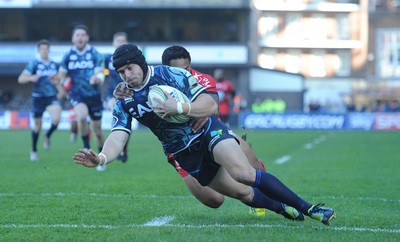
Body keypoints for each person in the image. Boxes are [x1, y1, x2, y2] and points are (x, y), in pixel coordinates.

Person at [73, 44, 336, 226]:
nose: (126, 75)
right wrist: (102, 158)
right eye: (121, 72)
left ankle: (310, 208)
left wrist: (180, 107)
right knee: (242, 194)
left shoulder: (170, 74)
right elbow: (119, 134)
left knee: (244, 174)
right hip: (184, 154)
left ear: (140, 63)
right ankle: (281, 208)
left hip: (207, 133)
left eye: (129, 68)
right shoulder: (124, 99)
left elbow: (210, 105)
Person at [160, 45, 268, 216]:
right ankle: (181, 164)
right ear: (166, 69)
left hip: (214, 131)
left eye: (187, 69)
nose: (184, 74)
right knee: (214, 200)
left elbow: (213, 107)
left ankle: (264, 200)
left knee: (254, 167)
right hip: (184, 145)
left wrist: (200, 110)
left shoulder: (202, 79)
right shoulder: (158, 86)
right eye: (178, 71)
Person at [57, 24, 106, 171]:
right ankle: (86, 146)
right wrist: (59, 84)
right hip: (77, 95)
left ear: (87, 38)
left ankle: (101, 157)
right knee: (82, 116)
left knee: (97, 130)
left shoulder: (95, 54)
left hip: (94, 96)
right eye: (77, 35)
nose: (80, 37)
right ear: (73, 38)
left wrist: (97, 78)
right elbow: (61, 75)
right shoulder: (67, 56)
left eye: (83, 35)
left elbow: (100, 72)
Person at [18, 39, 62, 161]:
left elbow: (58, 81)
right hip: (38, 98)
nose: (44, 51)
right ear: (39, 51)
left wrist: (61, 91)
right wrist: (31, 77)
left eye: (46, 49)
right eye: (42, 49)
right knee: (37, 125)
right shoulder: (34, 64)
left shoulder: (54, 65)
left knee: (57, 119)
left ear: (49, 50)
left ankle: (47, 135)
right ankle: (34, 149)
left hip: (51, 97)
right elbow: (21, 79)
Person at [104, 32, 129, 163]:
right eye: (118, 40)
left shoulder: (131, 59)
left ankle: (123, 149)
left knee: (125, 121)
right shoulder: (107, 58)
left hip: (127, 94)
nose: (120, 42)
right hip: (112, 93)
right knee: (116, 113)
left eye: (123, 40)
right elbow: (99, 72)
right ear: (113, 43)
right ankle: (117, 150)